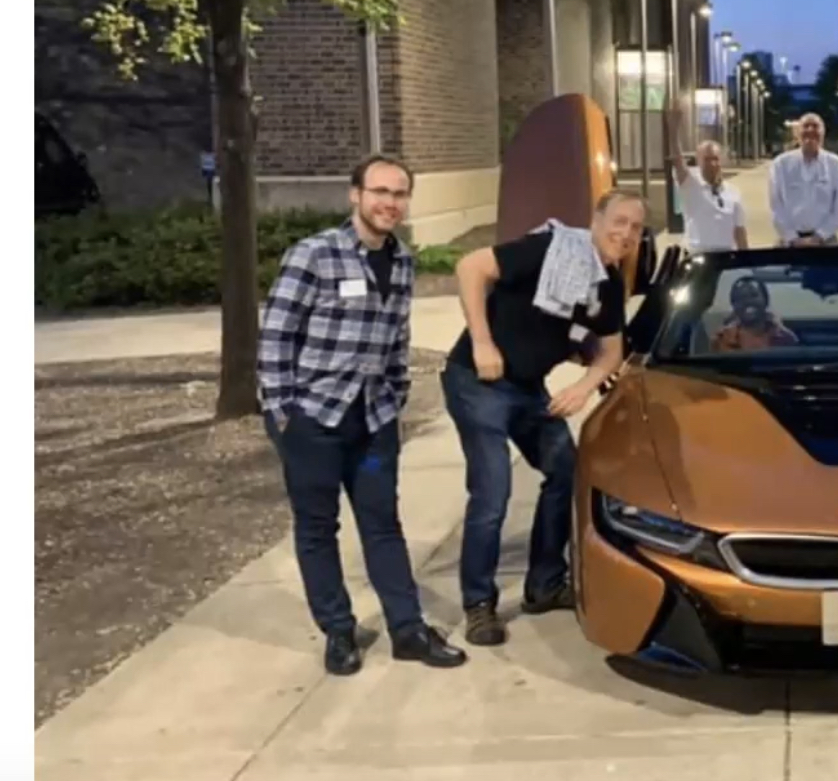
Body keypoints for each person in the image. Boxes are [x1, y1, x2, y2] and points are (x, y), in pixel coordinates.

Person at [257, 155, 467, 675]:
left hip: (372, 422)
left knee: (382, 523)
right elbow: (276, 336)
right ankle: (338, 630)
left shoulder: (402, 261)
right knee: (317, 527)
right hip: (313, 419)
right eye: (379, 192)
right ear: (355, 195)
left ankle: (407, 629)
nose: (389, 203)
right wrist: (285, 413)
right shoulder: (315, 256)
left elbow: (398, 338)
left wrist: (395, 398)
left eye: (399, 194)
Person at [442, 189, 645, 647]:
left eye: (635, 228)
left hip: (529, 389)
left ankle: (545, 583)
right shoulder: (550, 249)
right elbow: (471, 267)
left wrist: (582, 388)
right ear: (596, 219)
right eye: (619, 221)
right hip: (478, 382)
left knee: (567, 472)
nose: (626, 234)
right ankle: (479, 605)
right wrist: (481, 342)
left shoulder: (608, 284)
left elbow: (611, 351)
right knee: (493, 491)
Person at [768, 114, 838, 247]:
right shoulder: (780, 164)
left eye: (816, 126)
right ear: (797, 133)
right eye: (805, 126)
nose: (810, 130)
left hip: (826, 241)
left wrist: (819, 237)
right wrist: (792, 238)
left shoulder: (836, 165)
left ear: (823, 133)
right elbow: (776, 207)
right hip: (789, 241)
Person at [667, 138, 747, 254]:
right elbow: (678, 161)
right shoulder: (690, 184)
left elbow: (739, 231)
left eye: (715, 159)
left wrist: (746, 261)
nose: (712, 164)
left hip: (726, 256)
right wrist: (673, 132)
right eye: (707, 159)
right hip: (698, 256)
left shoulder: (733, 192)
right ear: (698, 161)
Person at [711, 277, 799, 350]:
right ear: (734, 305)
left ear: (766, 300)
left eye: (753, 295)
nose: (748, 301)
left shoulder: (786, 338)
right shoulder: (721, 339)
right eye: (741, 297)